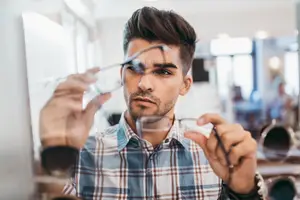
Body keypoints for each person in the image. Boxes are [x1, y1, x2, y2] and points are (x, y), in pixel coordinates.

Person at [40, 7, 266, 199]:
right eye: (134, 69)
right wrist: (52, 158)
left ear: (185, 85)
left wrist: (243, 193)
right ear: (122, 75)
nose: (144, 84)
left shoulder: (216, 160)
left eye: (163, 71)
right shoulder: (81, 157)